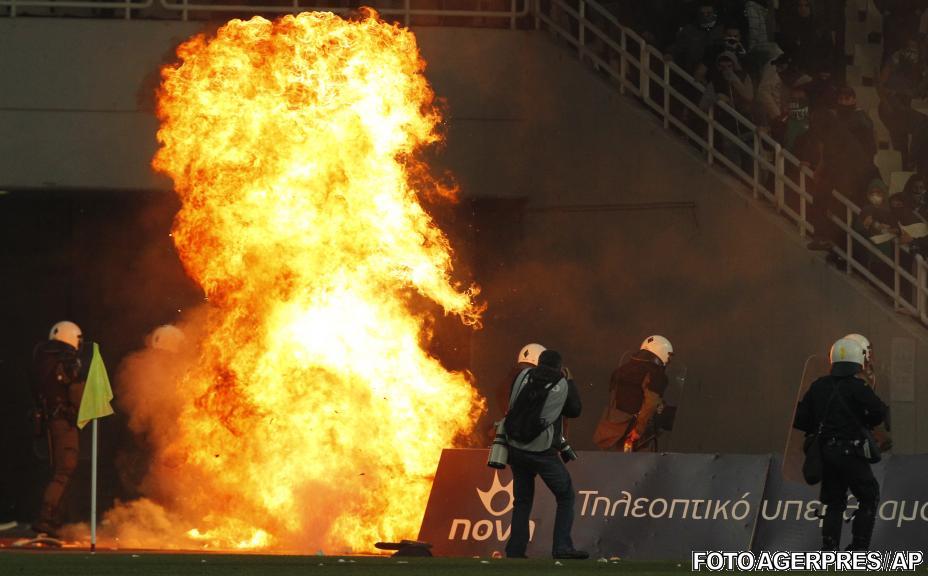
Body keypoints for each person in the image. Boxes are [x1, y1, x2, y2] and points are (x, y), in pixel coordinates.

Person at [794, 337, 887, 551]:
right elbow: (878, 412)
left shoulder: (818, 386)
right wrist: (865, 422)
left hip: (826, 452)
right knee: (869, 496)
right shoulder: (858, 387)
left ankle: (829, 551)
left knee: (834, 503)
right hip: (851, 452)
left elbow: (799, 419)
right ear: (858, 361)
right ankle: (857, 549)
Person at [504, 349, 585, 560]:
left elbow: (512, 403)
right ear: (560, 367)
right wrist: (571, 381)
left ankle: (515, 550)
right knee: (566, 496)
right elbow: (575, 410)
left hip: (516, 446)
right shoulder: (561, 383)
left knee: (522, 500)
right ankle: (562, 547)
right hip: (542, 450)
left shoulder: (523, 376)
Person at [31, 321, 85, 537]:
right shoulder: (67, 360)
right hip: (63, 421)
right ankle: (47, 519)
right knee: (65, 470)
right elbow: (76, 393)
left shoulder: (42, 359)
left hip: (46, 420)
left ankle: (54, 521)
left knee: (58, 469)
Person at [595, 336, 672, 452]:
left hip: (613, 429)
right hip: (636, 433)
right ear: (662, 352)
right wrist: (639, 430)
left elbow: (613, 399)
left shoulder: (621, 369)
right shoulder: (657, 374)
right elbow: (650, 403)